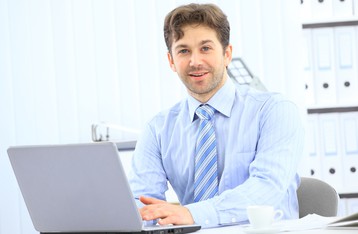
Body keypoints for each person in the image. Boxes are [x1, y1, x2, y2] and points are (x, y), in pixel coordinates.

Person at [128, 3, 304, 228]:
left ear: (227, 54)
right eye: (183, 51)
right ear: (171, 61)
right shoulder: (158, 129)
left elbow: (266, 189)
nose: (195, 61)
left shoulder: (275, 111)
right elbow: (142, 202)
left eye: (205, 48)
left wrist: (192, 214)